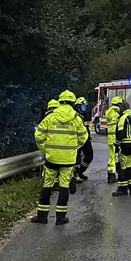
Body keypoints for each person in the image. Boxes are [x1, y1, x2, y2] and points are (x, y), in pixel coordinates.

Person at [32, 90, 88, 225]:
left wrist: (45, 150)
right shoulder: (76, 118)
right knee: (64, 186)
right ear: (73, 102)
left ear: (61, 101)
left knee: (47, 184)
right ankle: (60, 217)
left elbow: (38, 135)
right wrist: (73, 148)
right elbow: (84, 137)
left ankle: (42, 216)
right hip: (68, 159)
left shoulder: (50, 117)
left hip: (52, 158)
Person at [112, 101, 131, 196]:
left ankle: (122, 189)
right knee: (129, 165)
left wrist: (117, 144)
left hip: (124, 144)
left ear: (122, 109)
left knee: (121, 165)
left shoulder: (123, 118)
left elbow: (120, 132)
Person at [74, 96, 94, 181]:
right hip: (76, 139)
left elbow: (86, 126)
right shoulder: (74, 115)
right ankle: (75, 175)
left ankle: (80, 172)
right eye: (83, 106)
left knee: (89, 155)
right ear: (78, 106)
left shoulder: (84, 115)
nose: (84, 108)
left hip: (85, 138)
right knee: (76, 158)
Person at [104, 96, 123, 184]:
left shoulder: (109, 112)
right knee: (117, 157)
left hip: (110, 137)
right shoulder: (117, 112)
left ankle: (111, 174)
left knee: (111, 157)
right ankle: (119, 175)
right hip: (116, 137)